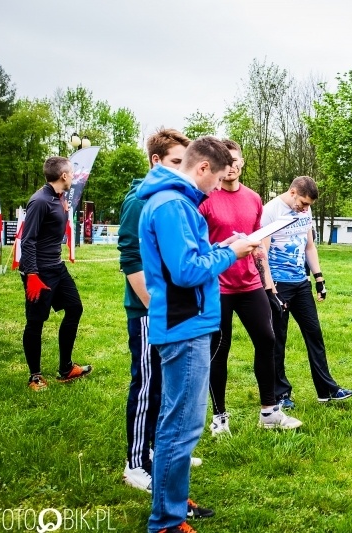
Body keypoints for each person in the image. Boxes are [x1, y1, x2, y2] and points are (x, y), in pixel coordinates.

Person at [138, 136, 259, 533]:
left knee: (175, 424)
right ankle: (168, 521)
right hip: (184, 324)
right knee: (182, 427)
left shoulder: (175, 201)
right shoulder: (173, 205)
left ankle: (170, 503)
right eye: (218, 177)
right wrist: (233, 253)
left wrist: (223, 244)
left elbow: (191, 255)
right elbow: (186, 271)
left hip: (184, 321)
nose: (216, 189)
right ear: (203, 168)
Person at [199, 140, 302, 434]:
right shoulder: (206, 197)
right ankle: (219, 417)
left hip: (250, 283)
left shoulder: (254, 199)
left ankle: (269, 412)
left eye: (235, 160)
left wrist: (267, 282)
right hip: (218, 286)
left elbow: (258, 244)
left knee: (267, 340)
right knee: (220, 349)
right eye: (225, 160)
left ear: (242, 163)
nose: (231, 166)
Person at [119, 128, 198, 492]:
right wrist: (155, 307)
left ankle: (160, 449)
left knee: (168, 384)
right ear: (156, 161)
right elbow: (131, 258)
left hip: (173, 309)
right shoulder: (139, 199)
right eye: (175, 163)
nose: (183, 170)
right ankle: (136, 462)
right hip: (149, 312)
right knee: (148, 383)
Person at [259, 176, 352, 408]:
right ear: (292, 192)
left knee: (314, 335)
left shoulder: (304, 212)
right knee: (277, 341)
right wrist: (271, 291)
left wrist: (319, 277)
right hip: (278, 284)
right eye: (303, 202)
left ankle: (326, 389)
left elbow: (309, 245)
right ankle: (281, 394)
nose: (305, 208)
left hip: (301, 283)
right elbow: (262, 253)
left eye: (309, 205)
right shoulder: (270, 211)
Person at [20, 156, 91, 391]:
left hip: (57, 267)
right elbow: (27, 240)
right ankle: (35, 376)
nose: (73, 176)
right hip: (39, 272)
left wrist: (63, 208)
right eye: (71, 173)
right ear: (63, 176)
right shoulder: (39, 201)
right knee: (36, 322)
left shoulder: (57, 197)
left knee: (74, 308)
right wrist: (31, 274)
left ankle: (66, 368)